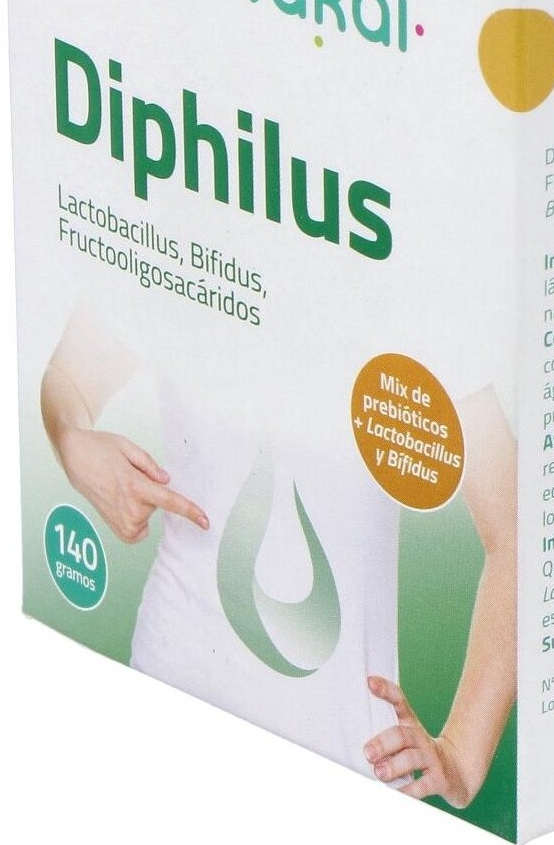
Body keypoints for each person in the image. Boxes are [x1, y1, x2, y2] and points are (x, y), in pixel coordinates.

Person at [41, 308, 516, 809]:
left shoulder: (416, 296)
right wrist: (73, 444)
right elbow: (68, 379)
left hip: (345, 753)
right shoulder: (194, 263)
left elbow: (513, 535)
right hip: (171, 689)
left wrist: (462, 757)